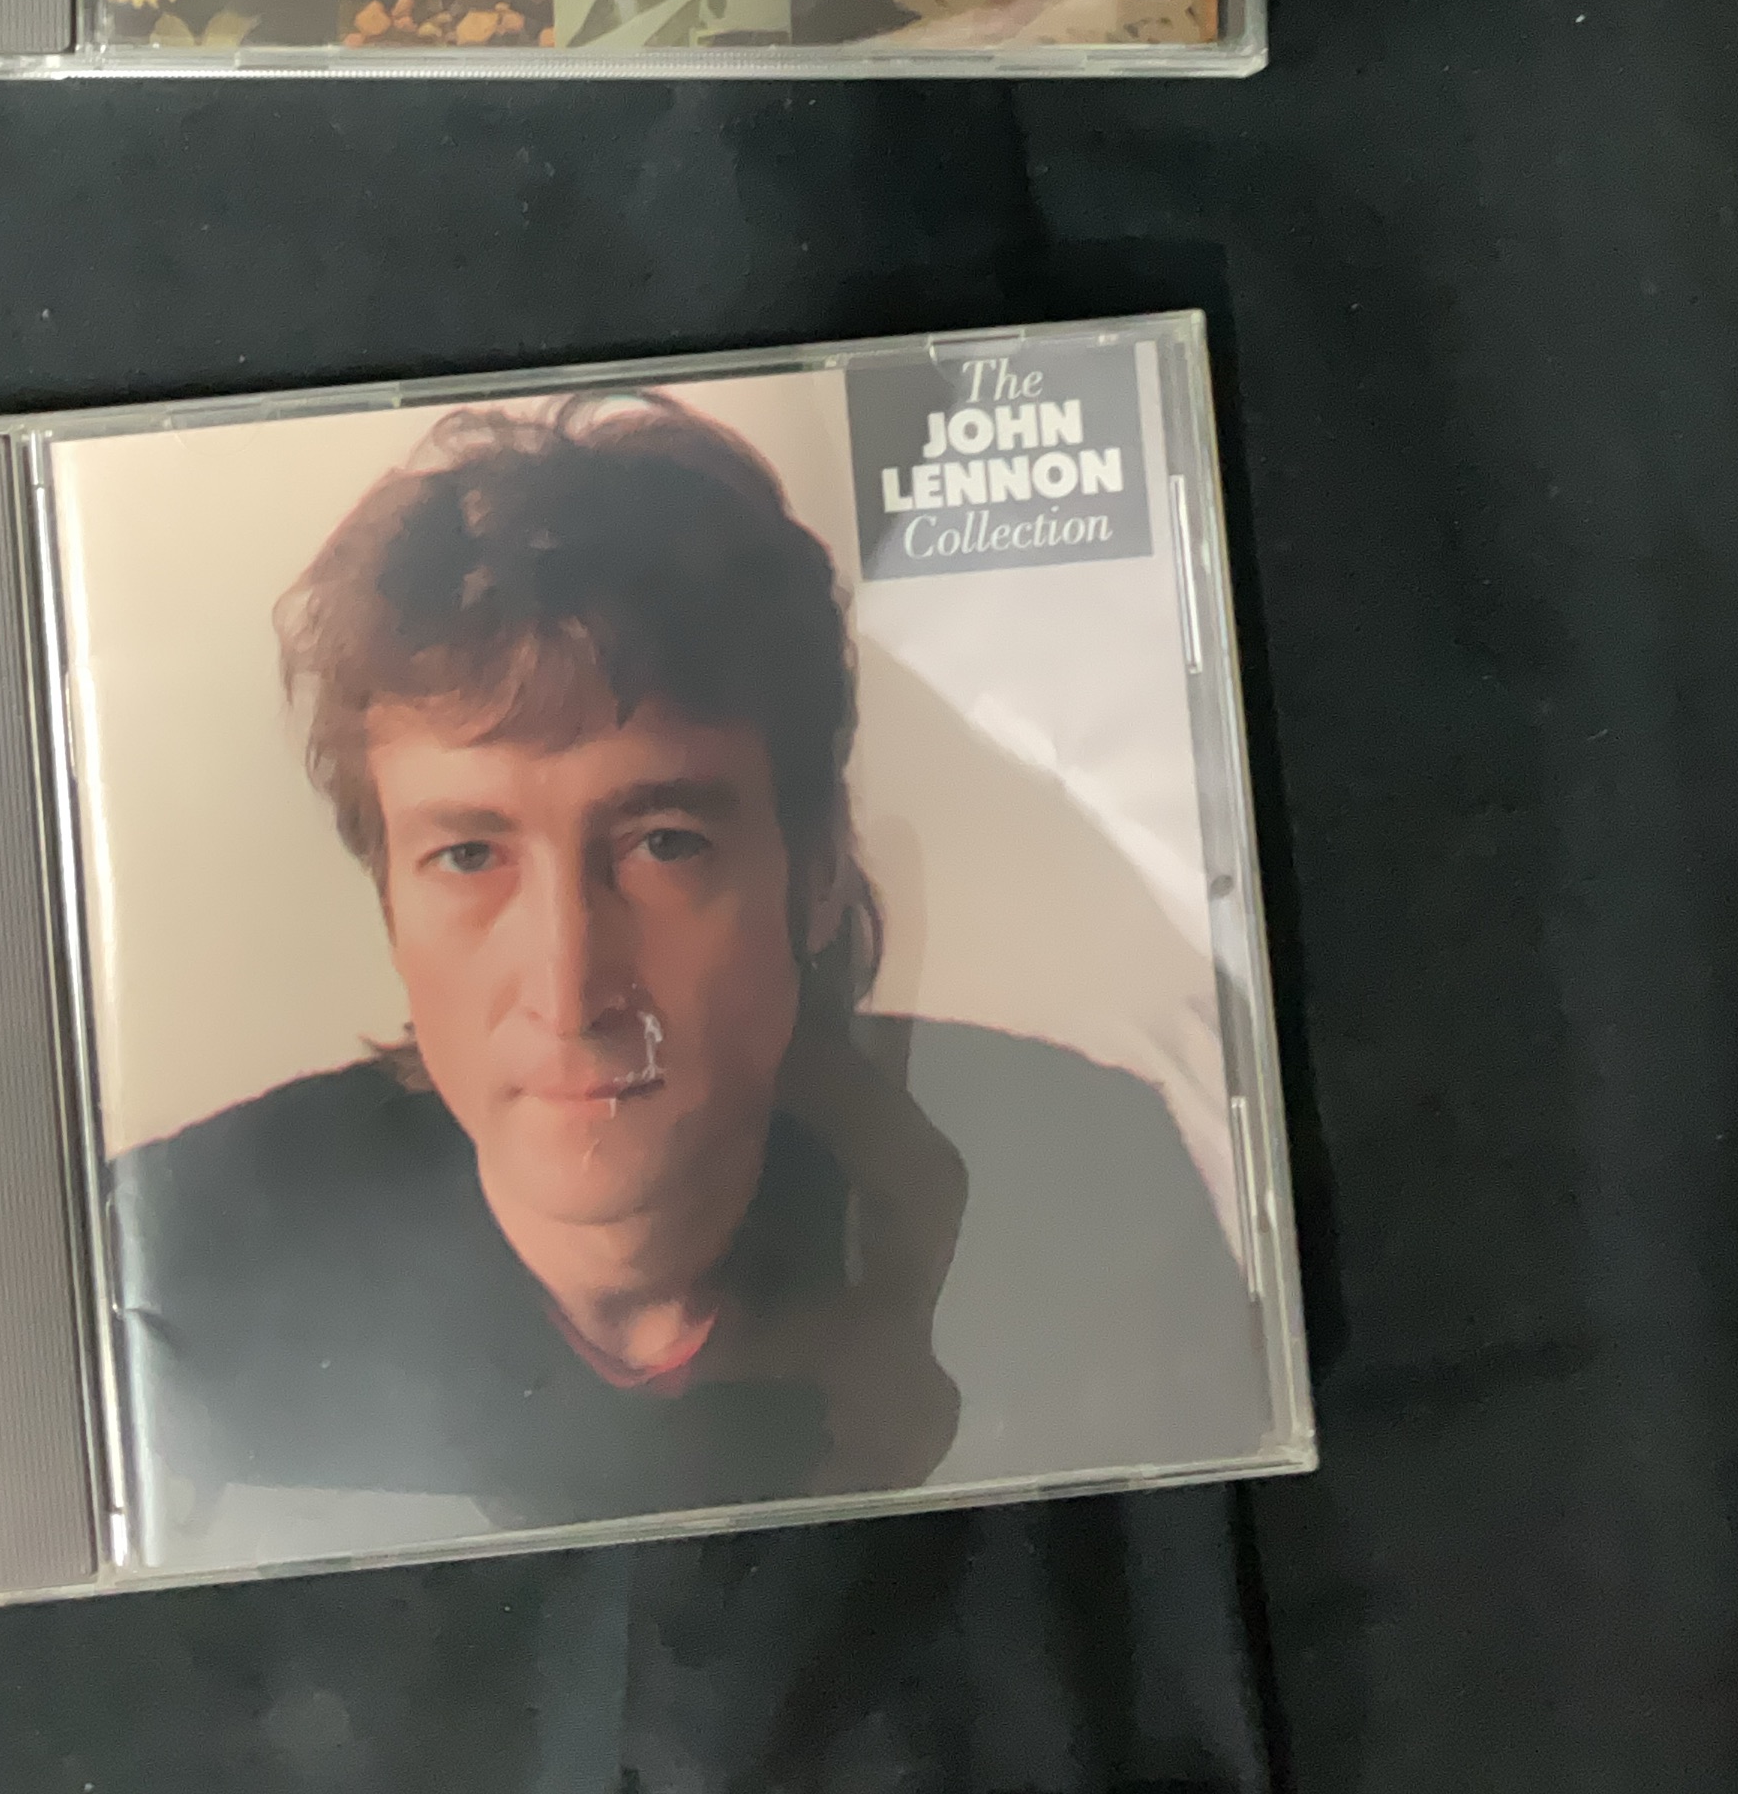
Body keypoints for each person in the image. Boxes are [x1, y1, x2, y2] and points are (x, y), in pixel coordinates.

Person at [108, 391, 1265, 1561]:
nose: (569, 990)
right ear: (389, 904)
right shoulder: (165, 1265)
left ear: (817, 871)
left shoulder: (1091, 1179)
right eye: (467, 857)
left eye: (664, 845)